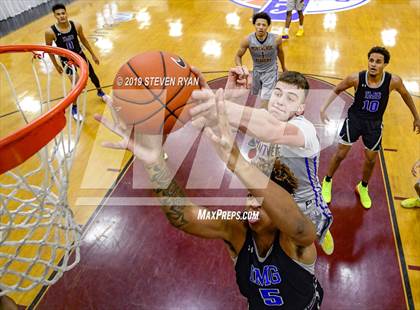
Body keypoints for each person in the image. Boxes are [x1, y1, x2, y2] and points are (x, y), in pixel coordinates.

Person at [95, 93, 323, 309]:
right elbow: (184, 217)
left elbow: (302, 228)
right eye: (250, 196)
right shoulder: (237, 226)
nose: (252, 204)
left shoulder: (295, 243)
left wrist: (237, 162)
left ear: (282, 208)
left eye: (262, 202)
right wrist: (154, 162)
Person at [189, 69, 334, 255]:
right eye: (278, 93)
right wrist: (231, 99)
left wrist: (219, 104)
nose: (281, 101)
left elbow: (271, 129)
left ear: (300, 109)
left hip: (304, 202)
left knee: (305, 243)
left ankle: (323, 231)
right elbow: (221, 135)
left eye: (290, 98)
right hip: (274, 194)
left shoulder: (305, 130)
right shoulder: (262, 117)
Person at [320, 46, 420, 209]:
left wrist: (417, 117)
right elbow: (337, 89)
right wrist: (323, 109)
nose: (373, 64)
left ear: (385, 64)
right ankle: (327, 181)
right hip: (354, 120)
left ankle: (363, 187)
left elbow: (406, 95)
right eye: (371, 60)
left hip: (374, 124)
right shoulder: (356, 78)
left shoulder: (393, 81)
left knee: (371, 159)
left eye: (378, 62)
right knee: (340, 154)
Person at [45, 3, 106, 121]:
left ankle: (100, 92)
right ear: (55, 16)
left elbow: (83, 40)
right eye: (58, 14)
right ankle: (74, 108)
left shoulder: (76, 25)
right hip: (66, 60)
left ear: (66, 13)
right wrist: (56, 65)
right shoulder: (50, 32)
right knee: (76, 84)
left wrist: (93, 54)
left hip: (80, 55)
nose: (61, 16)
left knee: (92, 74)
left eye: (63, 13)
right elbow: (49, 50)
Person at [235, 12, 287, 109]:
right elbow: (238, 56)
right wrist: (240, 68)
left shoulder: (276, 39)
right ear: (254, 25)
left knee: (265, 97)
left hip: (271, 71)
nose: (261, 27)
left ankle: (263, 117)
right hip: (256, 71)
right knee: (258, 94)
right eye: (258, 24)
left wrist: (283, 67)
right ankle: (273, 104)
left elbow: (280, 53)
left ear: (268, 26)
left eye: (264, 25)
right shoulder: (247, 40)